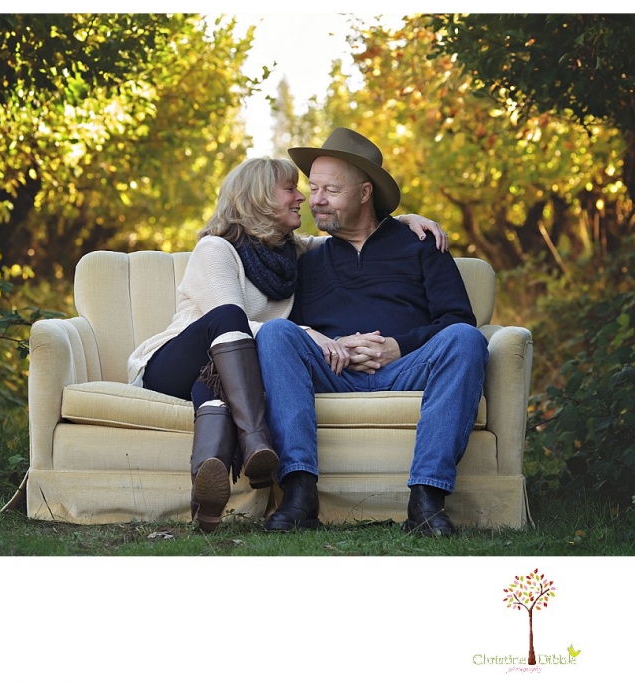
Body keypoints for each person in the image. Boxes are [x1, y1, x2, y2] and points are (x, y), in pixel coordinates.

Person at [127, 155, 447, 533]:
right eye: (292, 188)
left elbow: (355, 232)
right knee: (232, 320)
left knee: (213, 391)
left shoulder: (288, 252)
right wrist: (307, 332)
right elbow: (229, 324)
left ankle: (209, 487)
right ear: (261, 197)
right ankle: (255, 441)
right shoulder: (216, 249)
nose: (303, 198)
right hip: (173, 363)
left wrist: (405, 222)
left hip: (219, 374)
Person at [256, 128, 489, 536]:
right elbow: (293, 327)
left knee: (467, 341)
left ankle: (427, 500)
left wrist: (399, 347)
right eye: (313, 189)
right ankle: (299, 495)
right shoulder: (307, 258)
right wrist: (333, 344)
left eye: (331, 189)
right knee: (275, 334)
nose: (316, 200)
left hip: (407, 368)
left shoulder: (421, 245)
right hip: (334, 371)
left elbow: (458, 319)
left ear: (365, 194)